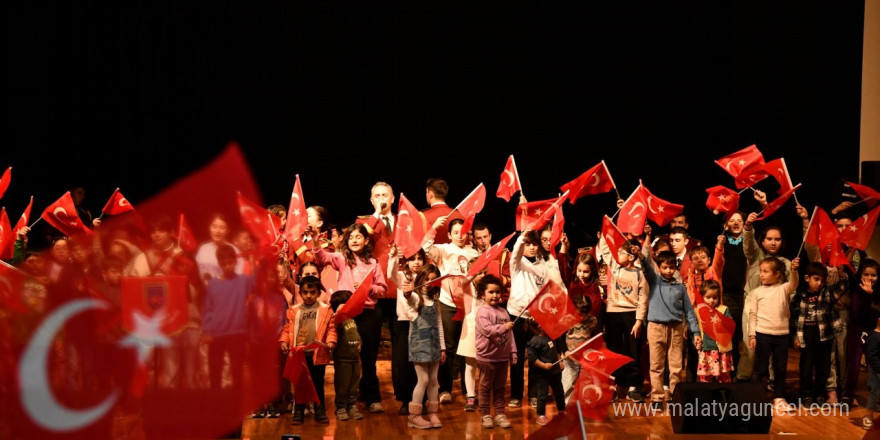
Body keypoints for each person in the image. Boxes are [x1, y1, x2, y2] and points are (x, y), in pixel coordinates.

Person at [308, 223, 387, 413]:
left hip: (368, 313)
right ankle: (342, 402)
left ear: (366, 240)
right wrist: (316, 240)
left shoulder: (373, 263)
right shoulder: (342, 259)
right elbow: (321, 257)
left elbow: (383, 290)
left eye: (358, 237)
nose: (354, 240)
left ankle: (373, 399)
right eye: (351, 237)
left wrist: (369, 288)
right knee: (344, 360)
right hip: (346, 314)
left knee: (368, 359)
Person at [422, 216, 480, 404]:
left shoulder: (474, 253)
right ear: (449, 234)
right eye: (455, 233)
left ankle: (467, 388)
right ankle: (445, 388)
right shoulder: (444, 250)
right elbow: (425, 247)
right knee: (448, 347)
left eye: (463, 232)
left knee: (468, 347)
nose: (459, 236)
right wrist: (433, 228)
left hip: (470, 305)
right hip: (448, 303)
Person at [642, 250, 701, 409]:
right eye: (665, 267)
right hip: (656, 327)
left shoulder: (680, 287)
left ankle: (675, 397)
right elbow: (646, 267)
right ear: (659, 268)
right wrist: (640, 256)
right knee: (656, 365)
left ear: (676, 267)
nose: (668, 270)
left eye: (671, 267)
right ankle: (657, 397)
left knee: (676, 366)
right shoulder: (655, 281)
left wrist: (695, 332)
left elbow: (688, 311)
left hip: (675, 327)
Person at [279, 275, 337, 425]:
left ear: (319, 293)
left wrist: (331, 341)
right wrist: (284, 341)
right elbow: (287, 329)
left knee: (318, 383)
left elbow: (330, 329)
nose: (309, 296)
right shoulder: (294, 310)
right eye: (305, 292)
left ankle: (320, 410)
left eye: (312, 292)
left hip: (317, 354)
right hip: (299, 355)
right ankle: (299, 411)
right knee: (300, 384)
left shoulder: (325, 310)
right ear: (301, 294)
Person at [597, 235, 649, 402]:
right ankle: (613, 385)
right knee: (613, 350)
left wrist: (639, 321)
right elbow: (604, 248)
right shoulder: (615, 267)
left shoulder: (640, 274)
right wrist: (609, 224)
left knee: (632, 350)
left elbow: (643, 298)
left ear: (631, 257)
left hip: (631, 315)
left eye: (621, 253)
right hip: (612, 313)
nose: (616, 255)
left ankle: (633, 386)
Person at [749, 256, 800, 411]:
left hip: (782, 335)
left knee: (780, 368)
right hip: (763, 334)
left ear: (777, 274)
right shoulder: (756, 292)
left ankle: (779, 397)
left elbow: (794, 283)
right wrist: (752, 335)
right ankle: (755, 398)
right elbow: (753, 315)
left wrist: (794, 270)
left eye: (766, 271)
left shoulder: (783, 288)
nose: (761, 274)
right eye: (761, 271)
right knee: (761, 368)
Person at [506, 230, 550, 407]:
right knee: (516, 357)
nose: (531, 247)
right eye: (528, 244)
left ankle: (533, 394)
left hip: (535, 318)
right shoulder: (517, 262)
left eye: (534, 244)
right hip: (516, 315)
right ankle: (516, 395)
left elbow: (546, 293)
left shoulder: (543, 267)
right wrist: (521, 236)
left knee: (534, 358)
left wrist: (543, 315)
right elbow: (516, 252)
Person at [201, 244, 254, 393]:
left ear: (235, 262)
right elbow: (208, 309)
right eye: (224, 263)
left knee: (237, 372)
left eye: (230, 262)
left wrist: (253, 258)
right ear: (219, 263)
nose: (227, 266)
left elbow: (256, 284)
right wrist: (207, 331)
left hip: (237, 333)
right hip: (217, 334)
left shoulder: (243, 281)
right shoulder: (213, 284)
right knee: (215, 372)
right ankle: (217, 407)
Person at [790, 262, 843, 407]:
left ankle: (819, 393)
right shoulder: (799, 296)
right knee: (806, 366)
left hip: (824, 334)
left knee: (824, 366)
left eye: (822, 280)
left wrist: (841, 274)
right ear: (807, 278)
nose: (819, 283)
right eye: (816, 279)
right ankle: (806, 394)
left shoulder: (826, 293)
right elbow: (794, 318)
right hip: (807, 333)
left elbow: (840, 290)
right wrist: (795, 337)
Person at [401, 264, 446, 429]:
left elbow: (439, 324)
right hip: (419, 345)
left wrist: (442, 347)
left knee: (434, 380)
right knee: (424, 379)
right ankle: (414, 416)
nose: (429, 282)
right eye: (426, 279)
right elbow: (408, 298)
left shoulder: (435, 300)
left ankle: (432, 412)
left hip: (434, 344)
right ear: (420, 279)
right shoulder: (415, 297)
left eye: (433, 280)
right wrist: (407, 293)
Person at [475, 275, 516, 429]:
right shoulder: (482, 312)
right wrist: (503, 327)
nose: (495, 295)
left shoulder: (504, 312)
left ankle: (500, 414)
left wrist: (513, 352)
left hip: (502, 357)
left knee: (500, 387)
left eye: (498, 292)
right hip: (486, 357)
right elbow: (487, 330)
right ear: (482, 295)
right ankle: (485, 415)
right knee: (485, 387)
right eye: (491, 292)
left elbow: (509, 334)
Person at [389, 250, 424, 415]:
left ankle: (420, 401)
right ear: (407, 262)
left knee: (421, 363)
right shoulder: (403, 277)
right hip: (404, 323)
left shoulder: (426, 278)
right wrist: (393, 257)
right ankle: (405, 400)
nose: (416, 262)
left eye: (420, 259)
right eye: (413, 259)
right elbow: (391, 273)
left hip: (422, 323)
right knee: (403, 362)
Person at [843, 259, 880, 407]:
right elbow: (857, 313)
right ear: (860, 275)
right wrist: (866, 295)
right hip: (857, 330)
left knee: (875, 364)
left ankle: (876, 398)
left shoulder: (878, 291)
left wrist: (871, 294)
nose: (870, 278)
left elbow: (876, 312)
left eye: (874, 275)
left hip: (874, 331)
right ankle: (847, 395)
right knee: (854, 363)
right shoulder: (857, 290)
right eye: (866, 274)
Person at [329, 290, 363, 422]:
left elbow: (355, 334)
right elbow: (333, 330)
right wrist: (338, 314)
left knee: (354, 383)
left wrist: (360, 342)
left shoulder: (352, 320)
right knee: (342, 384)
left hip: (355, 358)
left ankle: (351, 405)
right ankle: (341, 407)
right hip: (343, 359)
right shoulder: (338, 320)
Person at [695, 280, 735, 383]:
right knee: (706, 376)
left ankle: (725, 395)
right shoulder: (700, 311)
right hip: (706, 348)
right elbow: (696, 330)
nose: (711, 301)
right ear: (702, 297)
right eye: (708, 297)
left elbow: (730, 326)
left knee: (724, 376)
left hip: (722, 350)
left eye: (715, 298)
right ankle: (707, 396)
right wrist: (696, 342)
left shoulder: (723, 309)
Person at [527, 319, 566, 425]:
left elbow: (557, 351)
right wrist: (544, 365)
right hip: (542, 374)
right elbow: (532, 358)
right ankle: (541, 415)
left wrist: (560, 362)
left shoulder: (552, 336)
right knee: (542, 395)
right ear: (539, 326)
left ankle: (562, 411)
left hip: (555, 372)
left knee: (559, 393)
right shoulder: (535, 340)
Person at [862, 316, 880, 430]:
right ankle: (868, 415)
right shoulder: (874, 337)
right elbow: (871, 356)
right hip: (876, 371)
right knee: (875, 392)